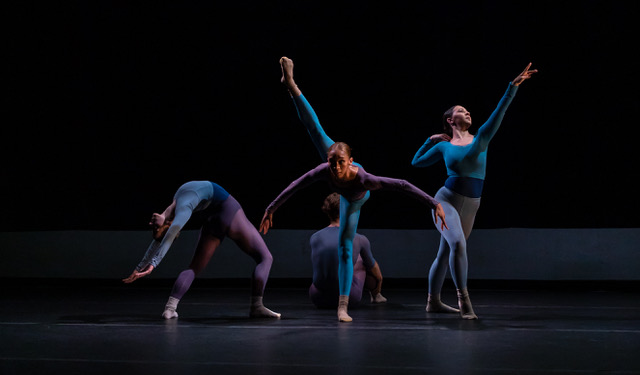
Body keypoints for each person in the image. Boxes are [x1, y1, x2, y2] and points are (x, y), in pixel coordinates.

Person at [259, 57, 447, 323]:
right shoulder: (326, 167)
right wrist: (271, 208)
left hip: (354, 200)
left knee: (346, 247)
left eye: (340, 163)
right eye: (332, 162)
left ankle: (342, 306)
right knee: (314, 129)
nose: (335, 168)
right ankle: (290, 84)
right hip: (341, 176)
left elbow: (402, 185)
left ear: (350, 161)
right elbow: (295, 186)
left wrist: (433, 203)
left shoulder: (364, 180)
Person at [411, 63, 537, 319]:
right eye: (461, 110)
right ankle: (464, 302)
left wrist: (511, 88)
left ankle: (432, 302)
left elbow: (498, 114)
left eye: (467, 110)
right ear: (450, 120)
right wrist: (431, 139)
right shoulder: (445, 147)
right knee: (457, 243)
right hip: (445, 199)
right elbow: (416, 162)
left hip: (472, 203)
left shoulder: (480, 139)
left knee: (446, 251)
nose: (467, 112)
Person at [123, 181, 280, 319]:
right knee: (266, 257)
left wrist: (144, 266)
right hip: (229, 210)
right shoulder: (182, 209)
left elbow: (163, 238)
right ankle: (257, 307)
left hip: (214, 217)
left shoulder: (177, 201)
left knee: (194, 268)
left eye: (155, 228)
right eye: (156, 227)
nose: (152, 225)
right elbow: (165, 238)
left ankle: (170, 309)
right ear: (168, 224)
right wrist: (149, 266)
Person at [310, 193, 387, 308]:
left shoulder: (314, 237)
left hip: (318, 297)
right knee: (363, 261)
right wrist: (379, 285)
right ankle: (376, 296)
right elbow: (375, 271)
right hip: (349, 297)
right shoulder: (359, 238)